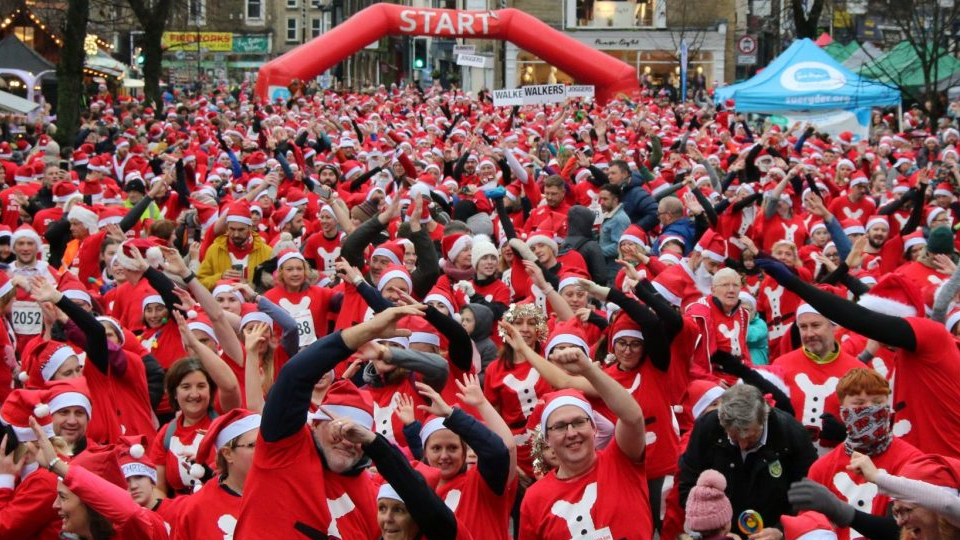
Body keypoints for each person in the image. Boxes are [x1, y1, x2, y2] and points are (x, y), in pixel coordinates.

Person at [235, 305, 426, 539]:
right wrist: (366, 331)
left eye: (356, 433)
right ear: (315, 425)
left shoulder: (372, 496)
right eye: (339, 429)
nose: (347, 440)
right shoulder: (284, 448)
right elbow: (294, 376)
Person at [755, 258, 960, 458]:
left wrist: (794, 283)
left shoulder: (932, 336)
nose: (873, 335)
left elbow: (860, 319)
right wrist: (846, 434)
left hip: (946, 465)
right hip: (914, 465)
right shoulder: (905, 357)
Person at [518, 344, 650, 540]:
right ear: (546, 439)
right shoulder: (535, 498)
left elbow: (633, 418)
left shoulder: (620, 460)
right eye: (560, 427)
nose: (571, 433)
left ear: (594, 428)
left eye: (579, 422)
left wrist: (588, 370)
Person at [790, 368, 924, 540]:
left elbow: (905, 530)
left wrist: (841, 511)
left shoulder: (911, 461)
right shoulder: (822, 468)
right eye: (859, 404)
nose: (869, 409)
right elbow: (808, 530)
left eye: (877, 402)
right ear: (843, 411)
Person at [679, 384, 818, 539]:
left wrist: (781, 530)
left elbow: (809, 498)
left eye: (751, 438)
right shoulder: (708, 427)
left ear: (764, 419)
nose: (743, 445)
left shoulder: (793, 436)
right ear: (722, 424)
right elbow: (688, 484)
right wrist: (717, 531)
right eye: (734, 438)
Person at [26, 417, 169, 539]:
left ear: (93, 502)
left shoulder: (137, 528)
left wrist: (57, 465)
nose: (55, 505)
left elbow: (130, 514)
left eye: (63, 497)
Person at [196, 200, 273, 289]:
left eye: (241, 230)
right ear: (227, 227)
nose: (236, 234)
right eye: (232, 229)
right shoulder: (214, 250)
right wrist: (220, 278)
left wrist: (252, 287)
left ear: (250, 227)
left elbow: (275, 285)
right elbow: (200, 282)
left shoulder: (266, 252)